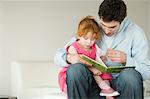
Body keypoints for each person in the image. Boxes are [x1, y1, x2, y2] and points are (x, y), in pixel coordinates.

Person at [54, 0, 150, 99]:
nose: (106, 31)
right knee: (75, 70)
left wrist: (126, 59)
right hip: (96, 84)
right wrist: (69, 57)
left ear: (122, 20)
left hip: (122, 87)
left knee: (130, 76)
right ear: (100, 18)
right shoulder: (92, 28)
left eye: (112, 27)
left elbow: (147, 72)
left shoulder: (136, 33)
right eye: (104, 25)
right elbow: (57, 57)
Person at [58, 16, 119, 99]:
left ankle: (106, 91)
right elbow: (78, 63)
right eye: (86, 38)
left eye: (93, 39)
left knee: (103, 73)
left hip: (91, 73)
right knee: (91, 73)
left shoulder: (94, 47)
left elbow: (98, 57)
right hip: (78, 75)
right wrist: (93, 69)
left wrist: (102, 59)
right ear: (78, 35)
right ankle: (106, 89)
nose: (89, 42)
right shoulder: (73, 47)